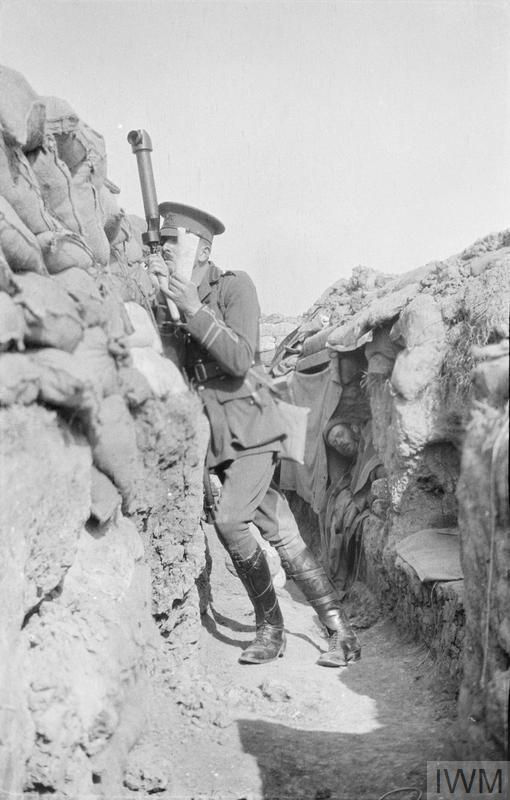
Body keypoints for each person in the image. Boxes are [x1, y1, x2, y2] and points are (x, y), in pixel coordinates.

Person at [148, 201, 361, 667]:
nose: (162, 253)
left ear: (200, 251)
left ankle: (271, 629)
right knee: (281, 532)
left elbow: (242, 359)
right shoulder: (170, 297)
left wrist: (190, 309)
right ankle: (341, 634)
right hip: (220, 438)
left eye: (171, 245)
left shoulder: (233, 288)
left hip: (255, 427)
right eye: (159, 245)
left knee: (229, 522)